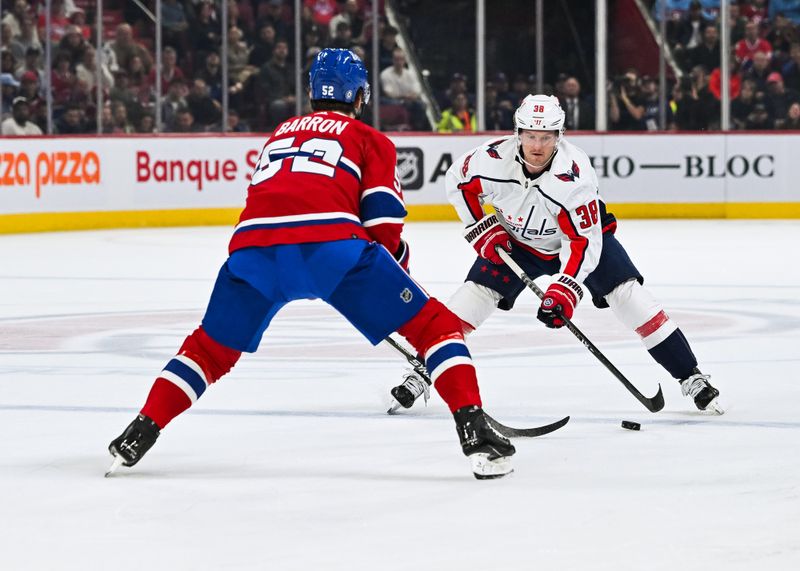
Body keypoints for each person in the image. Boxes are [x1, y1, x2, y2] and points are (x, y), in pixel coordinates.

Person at [107, 48, 514, 480]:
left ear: (311, 92)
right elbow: (382, 222)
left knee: (208, 350)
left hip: (252, 251)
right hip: (331, 249)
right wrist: (396, 274)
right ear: (360, 95)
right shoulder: (368, 138)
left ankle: (141, 431)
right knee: (436, 328)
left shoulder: (281, 132)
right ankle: (476, 434)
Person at [389, 94, 722, 415]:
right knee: (474, 296)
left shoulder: (574, 177)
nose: (536, 146)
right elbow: (458, 182)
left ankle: (690, 374)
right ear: (517, 134)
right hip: (516, 242)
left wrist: (566, 289)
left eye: (546, 137)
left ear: (559, 136)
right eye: (530, 136)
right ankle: (423, 370)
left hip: (577, 242)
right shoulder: (491, 159)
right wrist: (481, 228)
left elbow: (582, 242)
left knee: (629, 296)